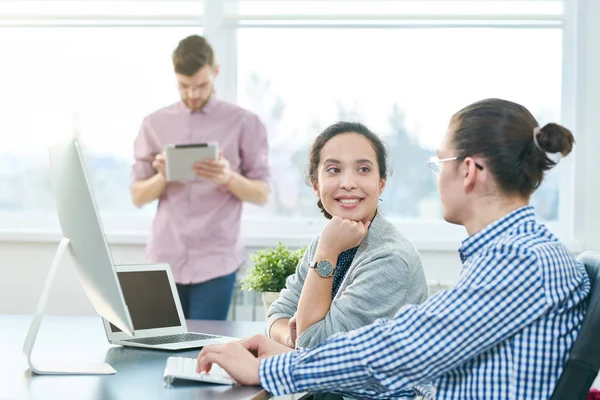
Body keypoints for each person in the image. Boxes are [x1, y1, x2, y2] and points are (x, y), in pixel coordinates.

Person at [196, 98, 590, 399]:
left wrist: (269, 372)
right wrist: (285, 358)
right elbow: (406, 343)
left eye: (439, 165)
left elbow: (401, 346)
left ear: (468, 171)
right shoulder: (516, 253)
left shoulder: (518, 260)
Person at [130, 35, 270, 320]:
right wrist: (163, 177)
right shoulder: (154, 124)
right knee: (156, 350)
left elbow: (262, 194)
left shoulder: (244, 123)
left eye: (201, 85)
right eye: (184, 86)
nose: (192, 94)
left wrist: (228, 177)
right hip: (165, 257)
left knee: (205, 353)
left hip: (217, 261)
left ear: (215, 72)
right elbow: (137, 196)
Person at [267, 121, 428, 350]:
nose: (348, 184)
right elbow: (278, 313)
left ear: (381, 184)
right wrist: (292, 338)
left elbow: (315, 347)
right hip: (325, 383)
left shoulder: (390, 259)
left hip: (376, 387)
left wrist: (327, 253)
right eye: (334, 170)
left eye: (363, 169)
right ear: (316, 185)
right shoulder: (330, 239)